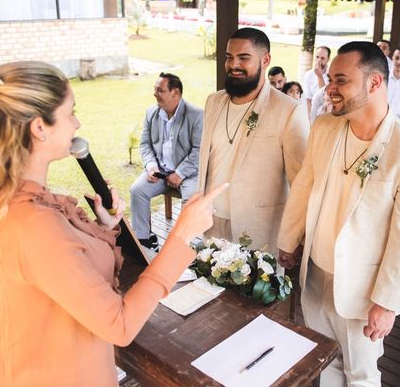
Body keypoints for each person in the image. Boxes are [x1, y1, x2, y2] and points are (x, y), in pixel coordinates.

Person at [0, 61, 227, 386]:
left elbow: (66, 273)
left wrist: (106, 227)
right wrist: (181, 236)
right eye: (71, 112)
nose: (77, 122)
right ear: (40, 128)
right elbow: (118, 324)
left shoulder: (21, 201)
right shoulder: (33, 223)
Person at [277, 41, 400, 386]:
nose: (329, 89)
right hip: (314, 274)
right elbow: (304, 186)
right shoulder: (323, 127)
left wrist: (387, 302)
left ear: (374, 83)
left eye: (340, 81)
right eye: (330, 80)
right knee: (326, 363)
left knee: (361, 374)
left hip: (363, 292)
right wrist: (288, 242)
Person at [198, 28, 309, 254]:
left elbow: (301, 183)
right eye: (229, 57)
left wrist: (294, 238)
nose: (233, 65)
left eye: (243, 58)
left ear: (265, 60)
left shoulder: (288, 110)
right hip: (211, 225)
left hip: (260, 232)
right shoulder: (213, 101)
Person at [130, 72, 203, 250]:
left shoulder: (197, 115)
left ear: (175, 93)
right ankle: (144, 239)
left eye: (160, 90)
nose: (155, 94)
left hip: (189, 174)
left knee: (191, 200)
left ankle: (188, 246)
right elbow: (145, 144)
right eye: (155, 90)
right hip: (160, 172)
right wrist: (151, 166)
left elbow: (199, 150)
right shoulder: (151, 112)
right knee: (137, 190)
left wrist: (180, 174)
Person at [303, 46, 331, 115]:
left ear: (328, 59)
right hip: (313, 112)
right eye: (317, 57)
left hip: (327, 112)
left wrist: (319, 76)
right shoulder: (309, 74)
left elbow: (324, 98)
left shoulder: (332, 74)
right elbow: (307, 99)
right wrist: (309, 118)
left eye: (322, 58)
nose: (319, 60)